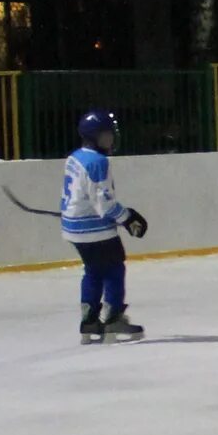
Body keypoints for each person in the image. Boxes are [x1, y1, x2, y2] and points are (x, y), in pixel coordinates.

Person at [58, 109, 148, 344]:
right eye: (106, 135)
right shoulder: (98, 162)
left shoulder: (75, 157)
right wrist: (128, 218)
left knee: (93, 270)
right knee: (114, 269)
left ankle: (89, 320)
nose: (111, 139)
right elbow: (104, 204)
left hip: (73, 229)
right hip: (95, 230)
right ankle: (113, 318)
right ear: (93, 136)